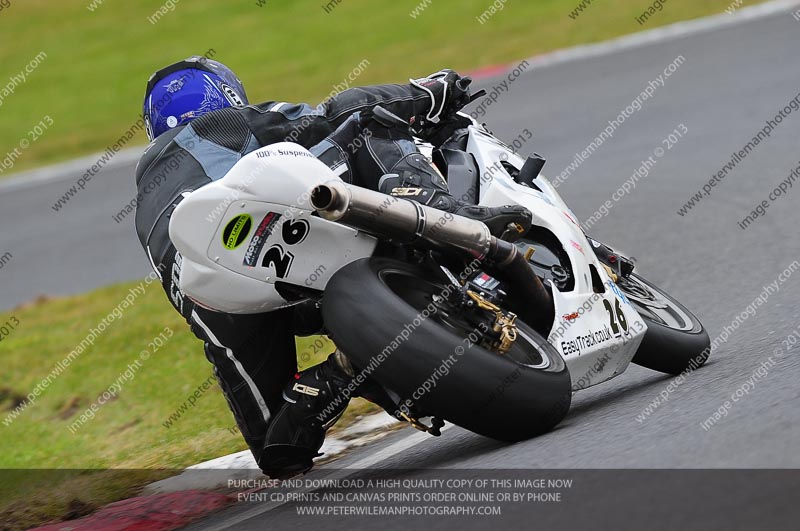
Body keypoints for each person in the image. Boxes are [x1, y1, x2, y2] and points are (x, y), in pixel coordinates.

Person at [134, 55, 531, 478]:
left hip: (223, 297)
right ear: (225, 94)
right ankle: (440, 208)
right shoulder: (231, 122)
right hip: (284, 232)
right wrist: (428, 95)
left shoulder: (146, 202)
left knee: (279, 448)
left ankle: (332, 379)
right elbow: (343, 110)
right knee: (368, 123)